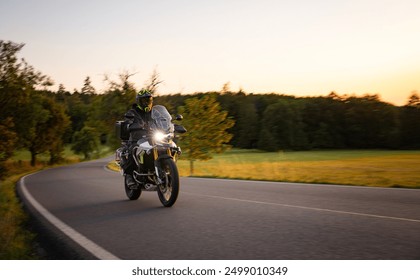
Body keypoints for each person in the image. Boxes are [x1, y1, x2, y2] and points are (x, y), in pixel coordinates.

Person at [122, 89, 154, 189]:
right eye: (143, 100)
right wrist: (130, 124)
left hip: (153, 139)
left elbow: (163, 120)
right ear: (139, 101)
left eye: (148, 100)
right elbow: (127, 122)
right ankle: (129, 176)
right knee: (133, 149)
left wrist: (172, 125)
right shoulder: (133, 112)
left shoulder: (154, 112)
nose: (146, 102)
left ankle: (167, 169)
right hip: (137, 139)